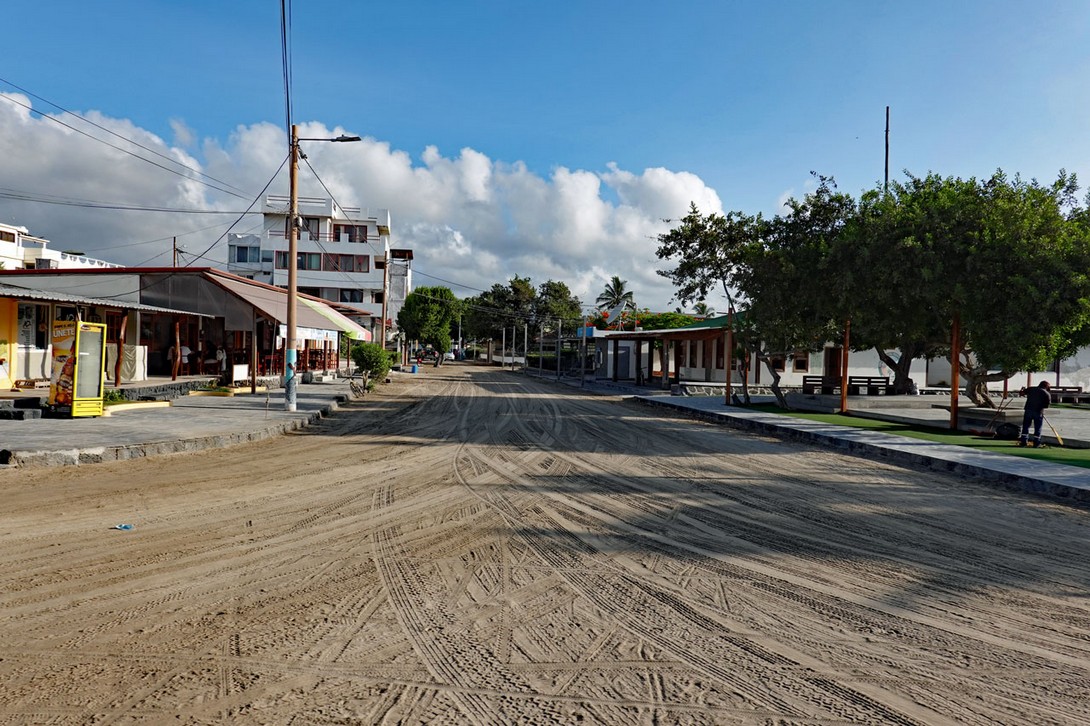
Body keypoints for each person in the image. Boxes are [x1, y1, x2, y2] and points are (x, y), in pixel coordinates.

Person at [1018, 380, 1052, 448]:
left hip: (1028, 410)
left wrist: (1022, 390)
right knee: (1038, 428)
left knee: (1026, 426)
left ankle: (1023, 442)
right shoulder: (1047, 393)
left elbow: (1021, 394)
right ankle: (1036, 443)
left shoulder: (1031, 389)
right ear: (1046, 387)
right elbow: (1047, 405)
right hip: (1038, 412)